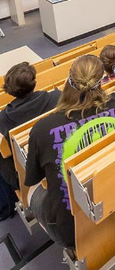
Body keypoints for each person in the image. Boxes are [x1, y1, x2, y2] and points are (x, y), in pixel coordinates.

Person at [25, 55, 115, 249]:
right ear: (102, 80)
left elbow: (33, 178)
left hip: (71, 230)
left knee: (33, 189)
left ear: (68, 81)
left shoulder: (42, 128)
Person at [0, 63, 60, 192]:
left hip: (29, 171)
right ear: (34, 82)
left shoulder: (3, 119)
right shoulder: (56, 97)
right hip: (56, 153)